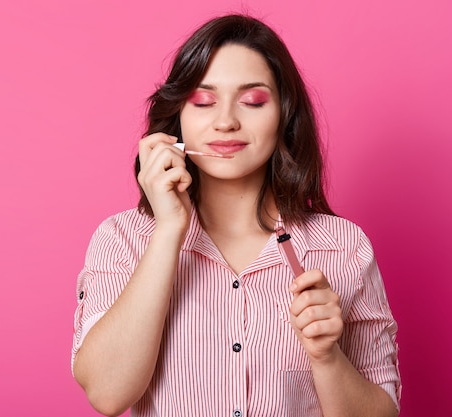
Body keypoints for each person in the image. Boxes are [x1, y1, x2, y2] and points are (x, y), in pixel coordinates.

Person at [72, 14, 400, 417]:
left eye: (253, 101)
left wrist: (327, 357)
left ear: (284, 115)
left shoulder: (343, 247)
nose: (226, 121)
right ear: (178, 117)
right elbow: (107, 394)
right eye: (204, 101)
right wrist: (170, 230)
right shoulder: (123, 240)